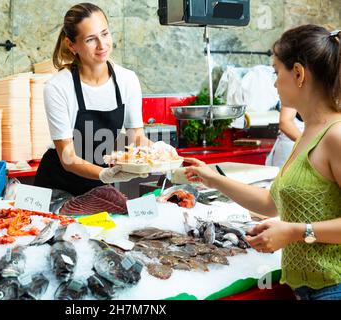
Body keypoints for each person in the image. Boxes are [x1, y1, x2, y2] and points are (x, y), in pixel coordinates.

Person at [184, 25, 341, 300]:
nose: (274, 83)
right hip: (306, 289)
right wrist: (212, 178)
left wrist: (294, 232)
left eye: (275, 71)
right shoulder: (308, 133)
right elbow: (271, 203)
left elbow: (295, 228)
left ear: (299, 73)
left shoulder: (335, 135)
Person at [34, 3, 170, 197]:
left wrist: (158, 154)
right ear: (71, 45)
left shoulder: (127, 80)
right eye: (91, 39)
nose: (102, 45)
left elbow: (136, 137)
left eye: (105, 34)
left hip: (99, 183)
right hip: (55, 186)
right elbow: (68, 157)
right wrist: (105, 174)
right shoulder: (58, 87)